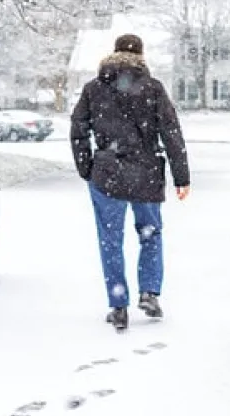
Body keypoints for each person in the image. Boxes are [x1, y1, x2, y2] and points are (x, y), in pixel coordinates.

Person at [69, 33, 190, 332]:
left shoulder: (94, 89)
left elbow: (78, 129)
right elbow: (171, 132)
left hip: (107, 174)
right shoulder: (153, 88)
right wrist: (181, 177)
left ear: (113, 53)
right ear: (141, 56)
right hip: (145, 173)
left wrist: (87, 167)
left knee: (110, 239)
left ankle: (118, 304)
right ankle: (149, 293)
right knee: (150, 234)